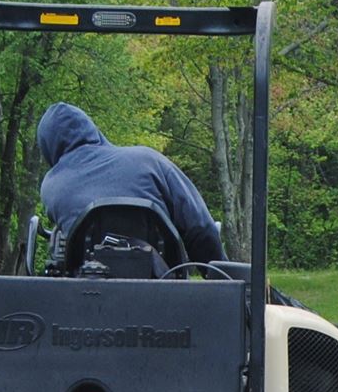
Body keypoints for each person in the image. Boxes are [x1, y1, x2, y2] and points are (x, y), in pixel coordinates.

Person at [34, 102, 226, 268]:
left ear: (48, 147)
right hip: (165, 287)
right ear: (92, 130)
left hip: (88, 293)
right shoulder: (148, 159)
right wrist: (222, 282)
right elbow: (201, 228)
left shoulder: (52, 186)